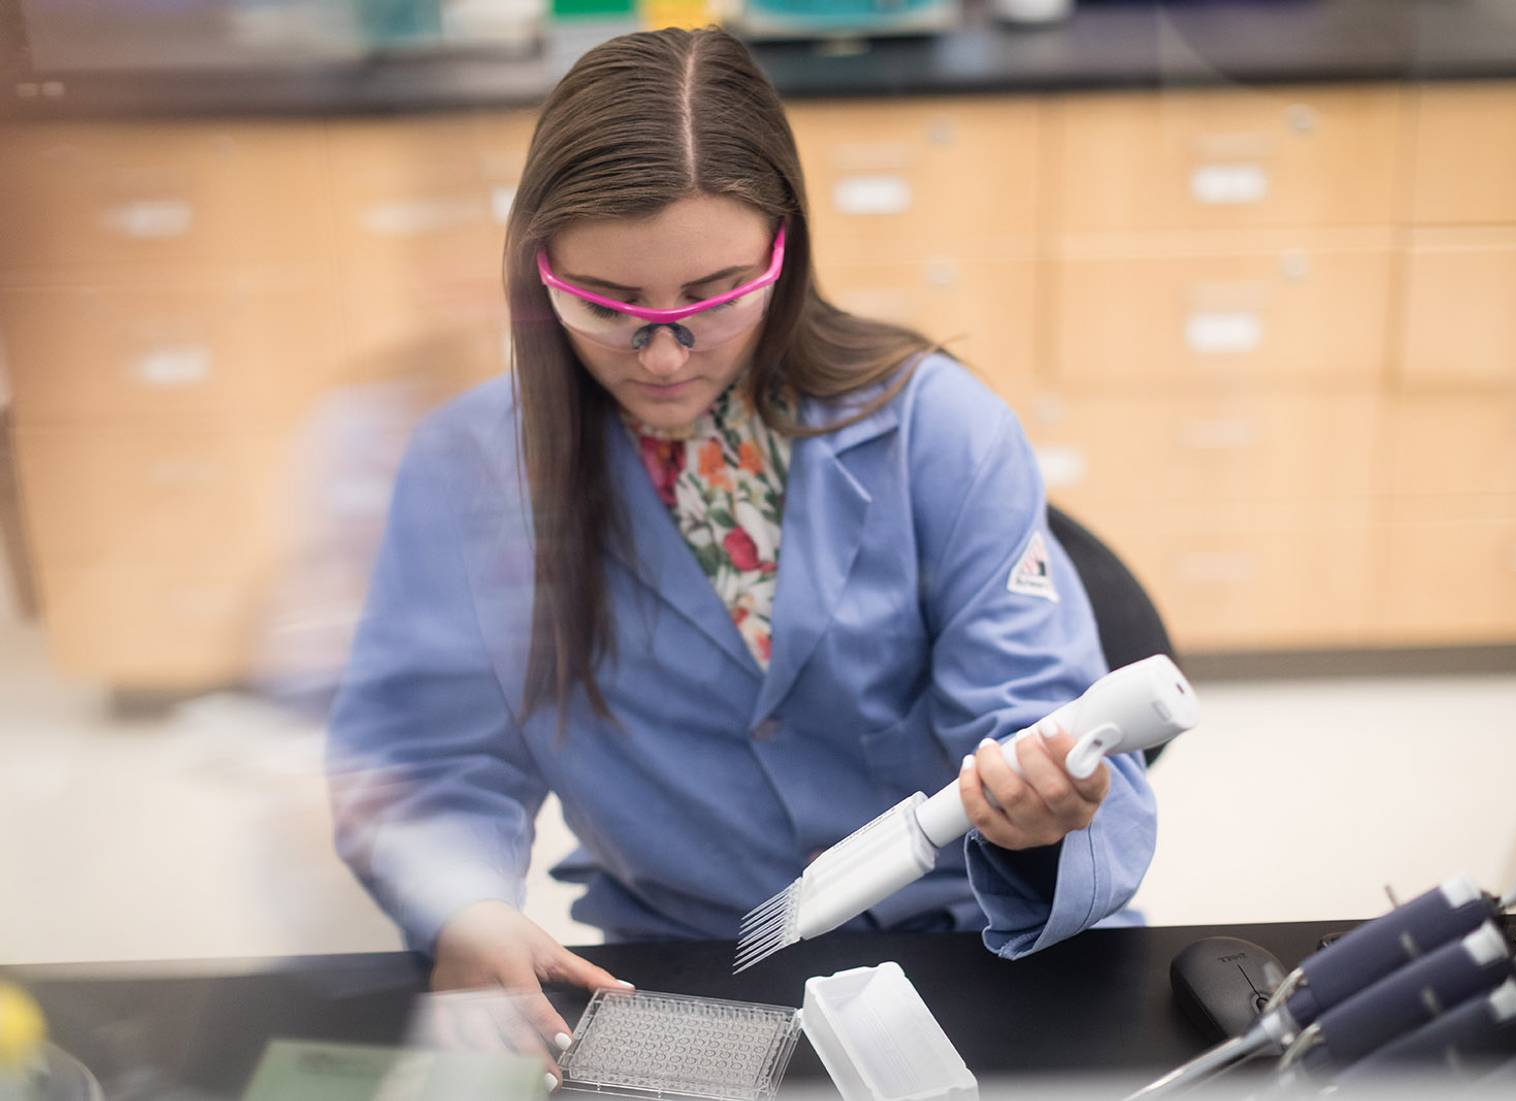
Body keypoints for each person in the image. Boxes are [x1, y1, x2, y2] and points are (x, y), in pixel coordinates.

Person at [327, 24, 1156, 1083]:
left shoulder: (939, 430)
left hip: (960, 950)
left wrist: (1040, 819)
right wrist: (464, 906)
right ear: (537, 274)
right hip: (676, 969)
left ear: (785, 251)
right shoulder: (463, 471)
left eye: (712, 298)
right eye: (608, 305)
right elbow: (422, 757)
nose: (663, 355)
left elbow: (1034, 714)